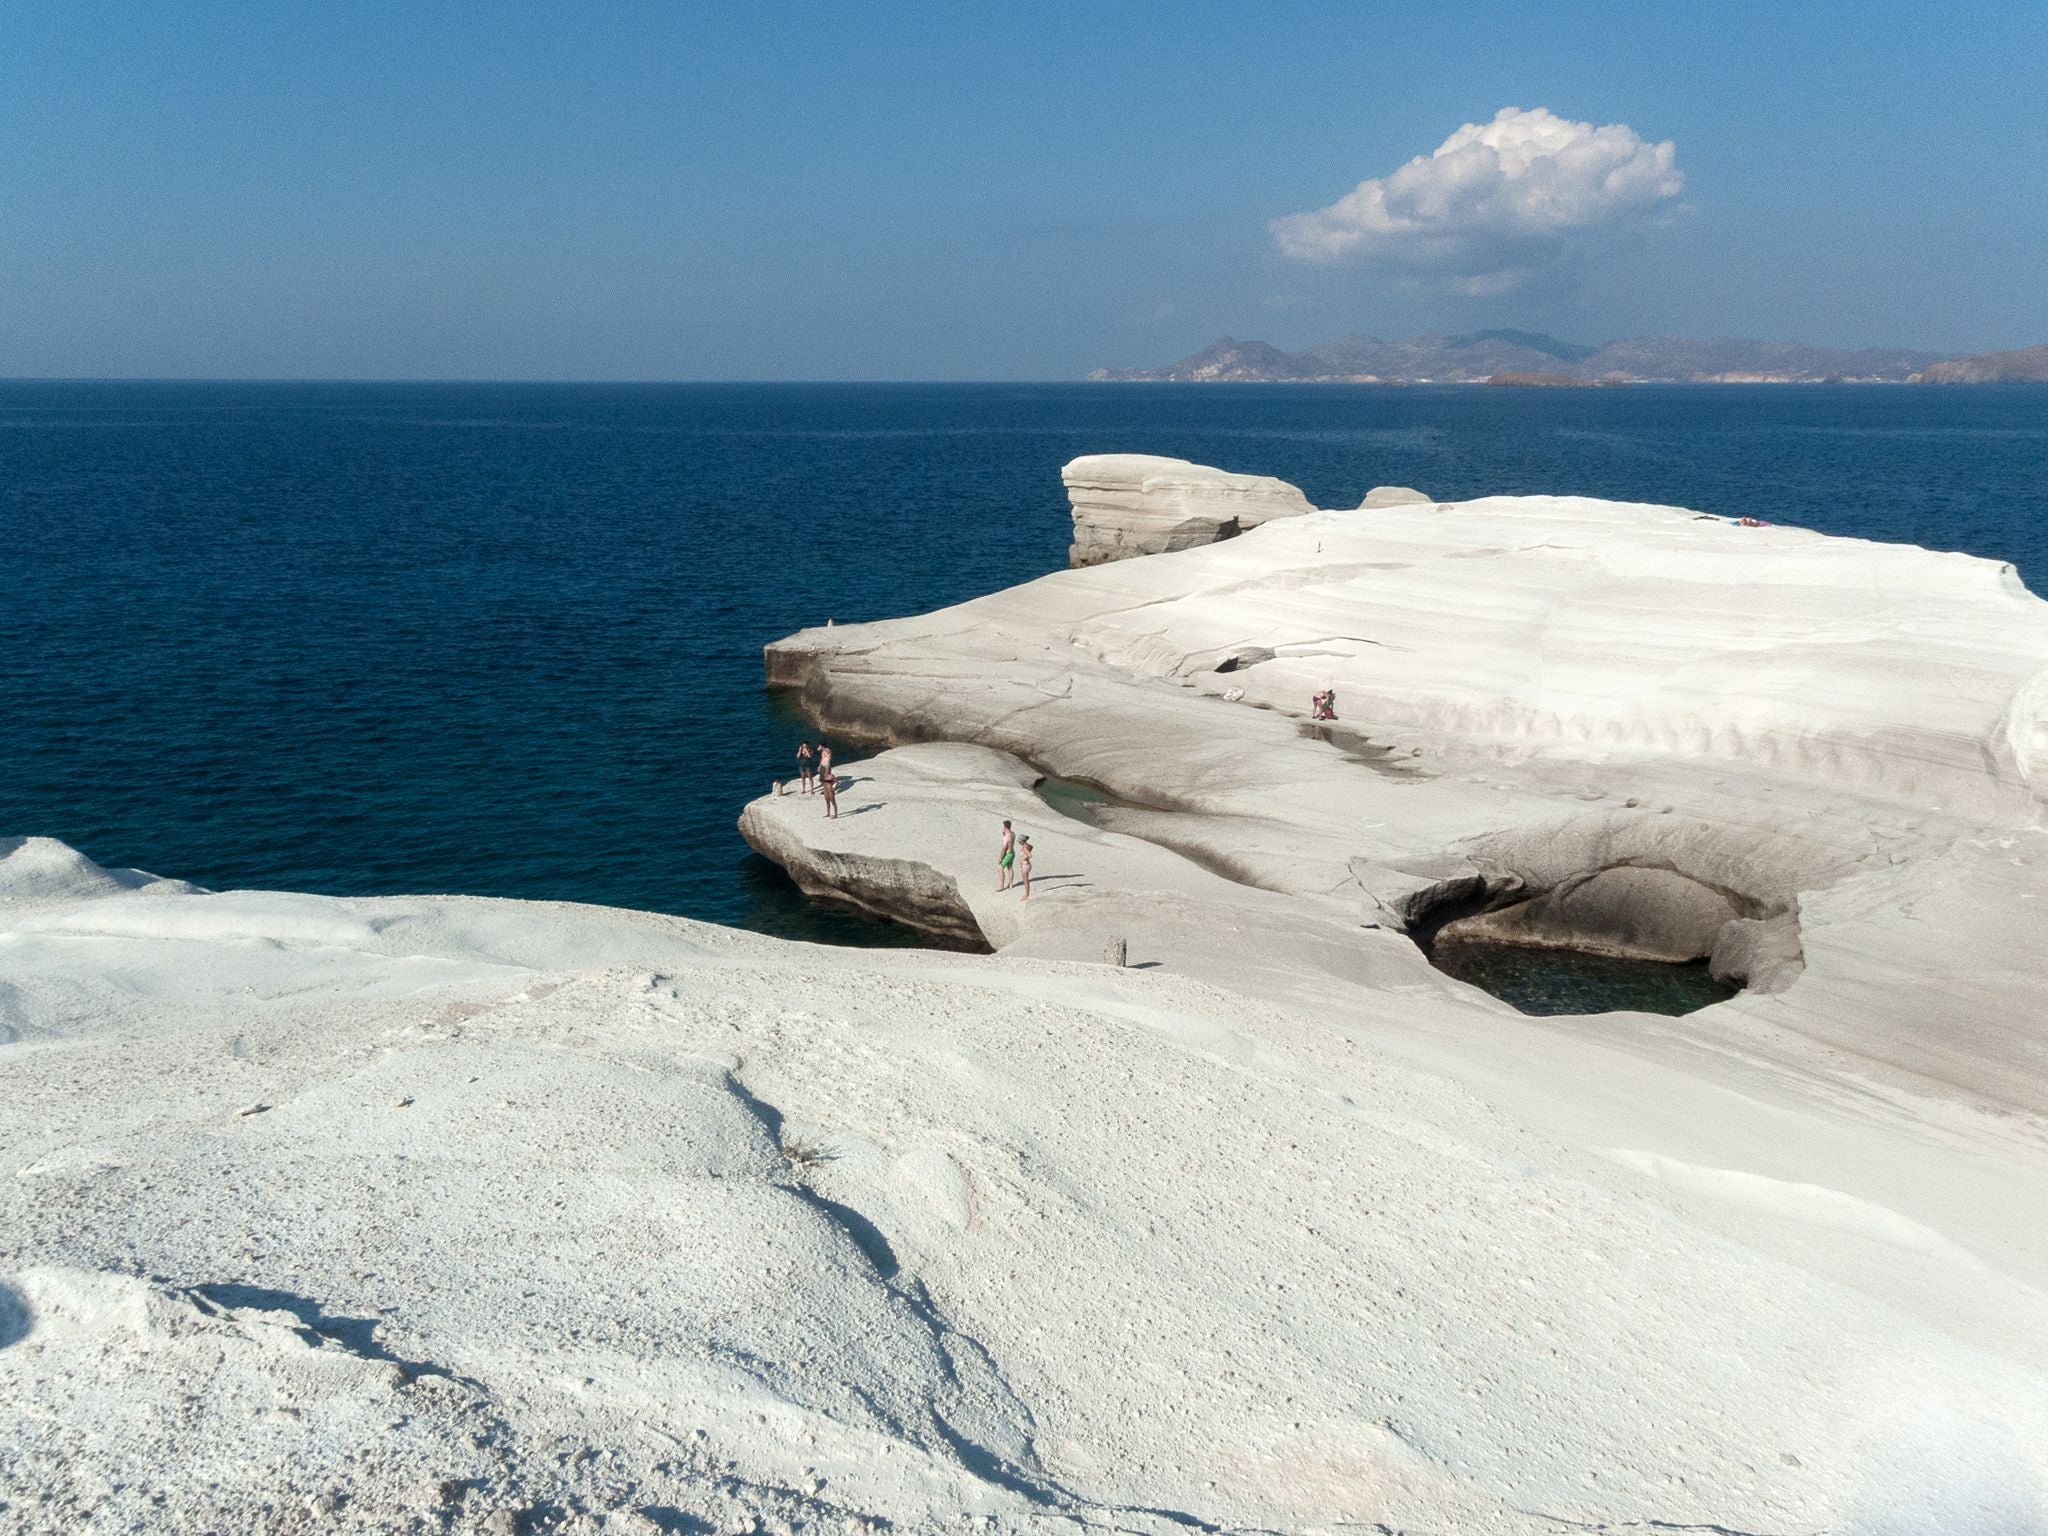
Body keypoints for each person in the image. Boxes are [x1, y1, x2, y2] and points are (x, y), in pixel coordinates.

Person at [997, 819, 1015, 891]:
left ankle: (1002, 885)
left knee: (1000, 868)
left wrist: (1000, 858)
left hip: (1008, 854)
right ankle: (1011, 884)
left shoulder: (1006, 837)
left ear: (1005, 827)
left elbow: (1004, 848)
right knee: (1010, 868)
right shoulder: (1013, 834)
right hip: (1012, 853)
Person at [1017, 836, 1033, 901]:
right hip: (1026, 865)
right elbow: (1032, 847)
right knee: (1026, 880)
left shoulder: (1025, 847)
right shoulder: (1027, 846)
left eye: (1019, 841)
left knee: (1025, 881)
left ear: (1022, 841)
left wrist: (1024, 858)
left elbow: (1030, 855)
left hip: (1025, 865)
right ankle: (1027, 894)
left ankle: (1027, 895)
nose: (1019, 842)